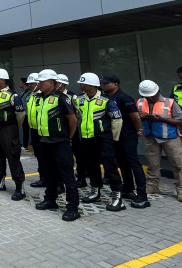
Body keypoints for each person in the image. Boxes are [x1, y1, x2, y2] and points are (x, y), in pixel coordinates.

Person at [33, 69, 81, 222]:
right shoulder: (39, 98)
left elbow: (72, 120)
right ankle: (50, 199)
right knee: (49, 174)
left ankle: (72, 208)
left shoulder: (61, 98)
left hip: (60, 142)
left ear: (52, 83)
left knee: (67, 175)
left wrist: (68, 137)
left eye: (42, 82)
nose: (39, 84)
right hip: (44, 142)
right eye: (39, 81)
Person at [76, 73, 126, 211]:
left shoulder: (106, 100)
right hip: (87, 139)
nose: (80, 85)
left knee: (110, 168)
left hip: (104, 139)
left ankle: (117, 198)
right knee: (92, 167)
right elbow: (78, 118)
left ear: (91, 85)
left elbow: (117, 120)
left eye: (83, 83)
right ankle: (95, 191)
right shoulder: (80, 100)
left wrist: (114, 139)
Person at [101, 75, 150, 208]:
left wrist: (139, 130)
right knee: (123, 163)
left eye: (107, 83)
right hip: (116, 135)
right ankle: (128, 189)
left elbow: (135, 116)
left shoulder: (124, 98)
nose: (103, 85)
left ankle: (142, 196)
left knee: (134, 164)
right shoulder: (106, 97)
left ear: (115, 84)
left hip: (128, 135)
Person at [138, 80, 182, 203]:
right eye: (147, 96)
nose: (150, 98)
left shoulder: (170, 102)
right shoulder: (140, 102)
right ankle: (152, 186)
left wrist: (163, 119)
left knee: (178, 164)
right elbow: (135, 117)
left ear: (158, 91)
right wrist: (140, 117)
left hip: (170, 138)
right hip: (151, 137)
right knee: (152, 164)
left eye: (152, 96)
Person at [0, 69, 26, 200]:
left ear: (2, 80)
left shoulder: (12, 95)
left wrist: (14, 127)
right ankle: (0, 182)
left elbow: (20, 114)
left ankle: (20, 187)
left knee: (13, 157)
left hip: (7, 129)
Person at [57, 74, 87, 188]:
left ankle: (81, 178)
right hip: (61, 130)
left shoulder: (72, 96)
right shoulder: (53, 96)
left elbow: (78, 114)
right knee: (63, 157)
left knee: (78, 155)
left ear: (63, 83)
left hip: (72, 129)